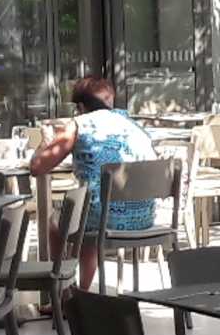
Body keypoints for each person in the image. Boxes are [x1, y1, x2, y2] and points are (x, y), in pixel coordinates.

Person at [26, 73, 163, 287]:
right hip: (143, 216)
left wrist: (45, 142)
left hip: (101, 218)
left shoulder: (79, 125)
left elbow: (37, 168)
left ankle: (64, 291)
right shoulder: (133, 125)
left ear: (80, 107)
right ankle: (83, 290)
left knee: (56, 222)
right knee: (89, 212)